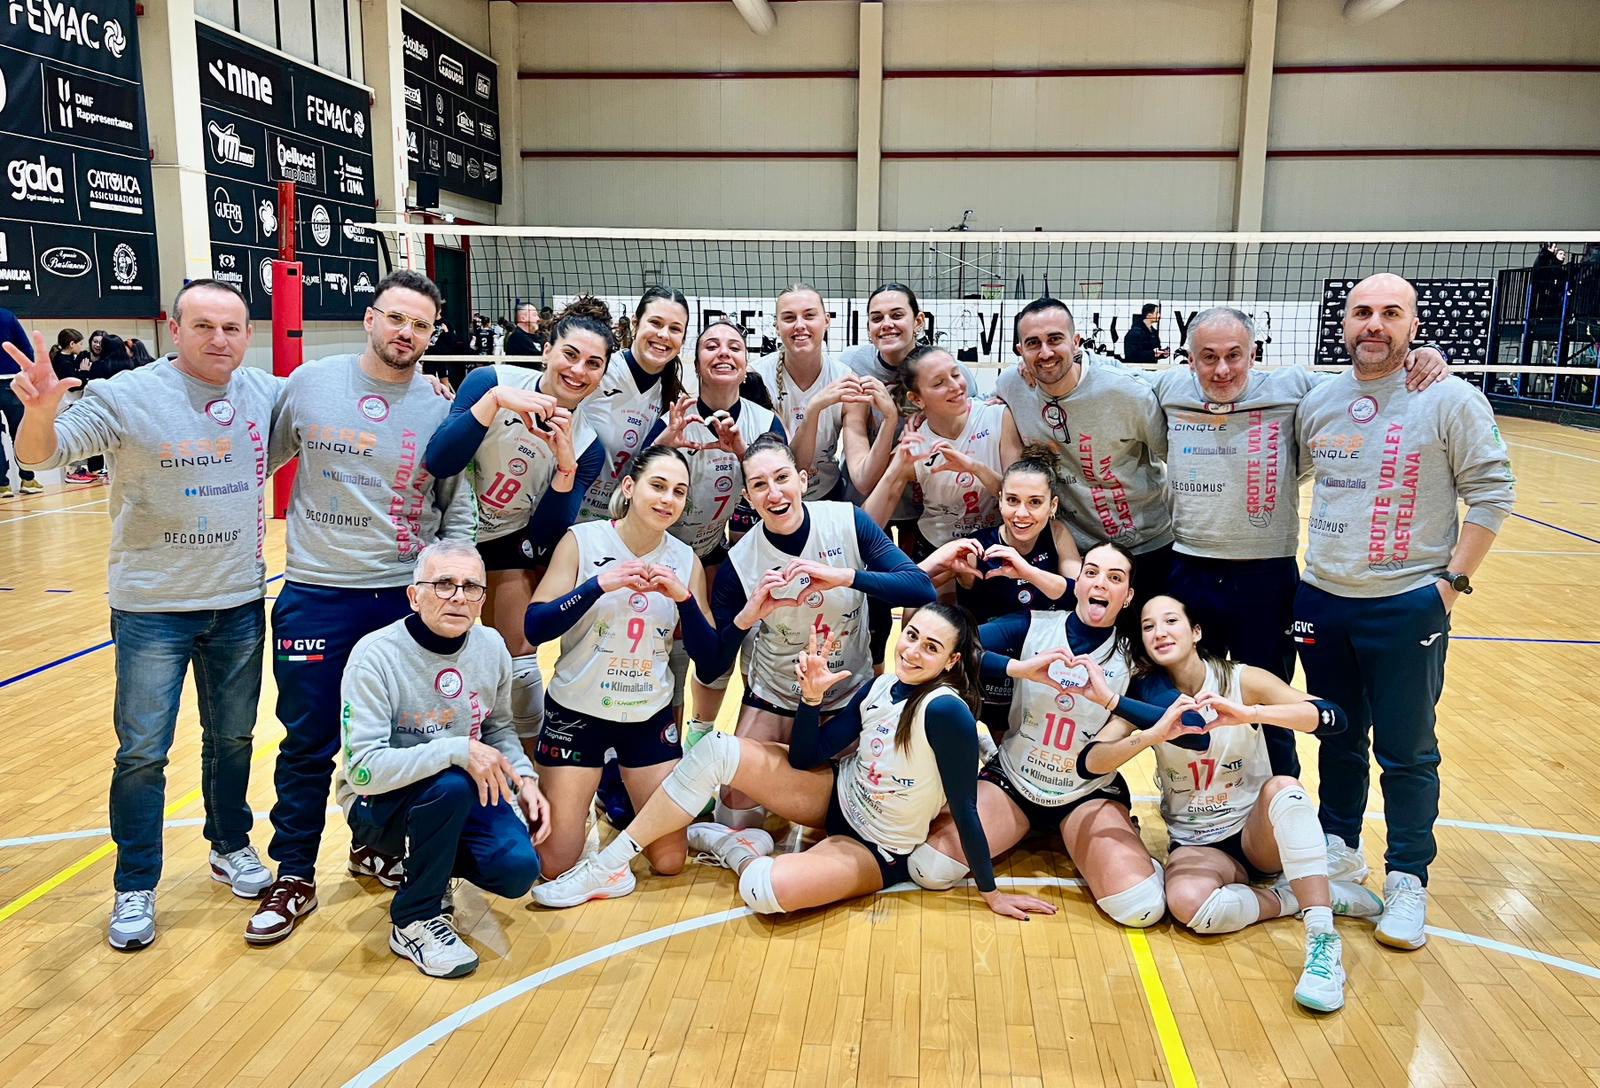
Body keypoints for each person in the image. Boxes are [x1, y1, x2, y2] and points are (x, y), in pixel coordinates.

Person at [7, 280, 278, 949]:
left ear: (249, 334)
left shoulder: (265, 393)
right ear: (174, 329)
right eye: (203, 325)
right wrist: (39, 412)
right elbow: (41, 454)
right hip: (152, 607)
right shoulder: (125, 395)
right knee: (142, 754)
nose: (219, 339)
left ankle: (230, 845)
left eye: (233, 327)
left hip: (239, 602)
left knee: (233, 739)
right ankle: (135, 884)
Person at [533, 604, 1056, 922]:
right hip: (836, 798)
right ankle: (606, 867)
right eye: (912, 635)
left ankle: (733, 847)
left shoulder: (946, 712)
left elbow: (965, 809)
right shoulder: (880, 687)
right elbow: (808, 756)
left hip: (876, 845)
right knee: (716, 751)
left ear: (951, 661)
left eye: (931, 647)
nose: (913, 651)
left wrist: (990, 892)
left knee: (764, 892)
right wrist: (810, 700)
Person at [246, 269, 475, 945]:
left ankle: (374, 846)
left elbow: (456, 510)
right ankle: (294, 874)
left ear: (432, 335)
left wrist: (453, 590)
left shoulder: (442, 410)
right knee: (308, 742)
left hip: (403, 598)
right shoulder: (310, 384)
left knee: (405, 740)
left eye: (421, 325)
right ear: (370, 319)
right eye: (396, 318)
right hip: (317, 592)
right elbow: (254, 463)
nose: (406, 332)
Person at [1293, 273, 1515, 950]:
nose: (1374, 324)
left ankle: (1408, 878)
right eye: (1362, 311)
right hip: (1323, 597)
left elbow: (1493, 494)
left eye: (1391, 313)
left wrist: (1449, 585)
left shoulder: (1450, 398)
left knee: (1408, 750)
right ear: (1343, 323)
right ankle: (1339, 849)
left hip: (1407, 603)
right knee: (1337, 735)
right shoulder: (1319, 400)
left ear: (1414, 327)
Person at [1153, 307, 1448, 776]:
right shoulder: (1167, 389)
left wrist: (1422, 353)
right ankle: (1194, 801)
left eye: (1234, 355)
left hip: (1265, 575)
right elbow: (1102, 378)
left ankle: (1280, 802)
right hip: (1189, 569)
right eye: (1208, 357)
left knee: (1271, 705)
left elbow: (1365, 377)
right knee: (1188, 701)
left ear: (1254, 354)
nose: (1222, 369)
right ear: (1188, 359)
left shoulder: (1294, 386)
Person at [1080, 593, 1384, 1012]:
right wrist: (1151, 735)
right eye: (1148, 627)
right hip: (1198, 842)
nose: (1159, 632)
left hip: (1256, 833)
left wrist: (1250, 714)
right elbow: (1090, 762)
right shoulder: (1145, 694)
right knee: (1189, 906)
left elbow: (1332, 717)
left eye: (1170, 621)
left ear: (1196, 632)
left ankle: (1322, 943)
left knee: (1284, 788)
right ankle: (1303, 896)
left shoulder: (1241, 679)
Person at [911, 543, 1168, 929]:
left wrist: (1113, 701)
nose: (1101, 583)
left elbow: (1180, 724)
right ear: (1077, 583)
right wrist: (1019, 668)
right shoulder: (1033, 624)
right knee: (928, 869)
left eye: (1115, 578)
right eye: (1091, 572)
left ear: (1128, 596)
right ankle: (1007, 787)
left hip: (1086, 793)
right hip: (1015, 780)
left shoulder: (1136, 656)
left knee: (1140, 907)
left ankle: (1118, 844)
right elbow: (956, 648)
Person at [700, 433, 937, 830]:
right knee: (735, 819)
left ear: (803, 480)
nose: (774, 493)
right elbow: (711, 667)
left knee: (852, 816)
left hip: (847, 694)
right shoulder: (739, 563)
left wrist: (845, 576)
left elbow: (920, 588)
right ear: (748, 497)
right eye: (759, 485)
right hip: (777, 694)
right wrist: (746, 617)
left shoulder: (847, 521)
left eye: (782, 478)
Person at [339, 539, 549, 978]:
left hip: (457, 793)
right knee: (450, 784)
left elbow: (498, 728)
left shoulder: (491, 646)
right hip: (380, 804)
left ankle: (426, 869)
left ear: (482, 599)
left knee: (518, 870)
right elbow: (362, 772)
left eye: (471, 587)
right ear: (414, 596)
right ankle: (413, 919)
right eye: (443, 584)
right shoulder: (375, 656)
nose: (458, 596)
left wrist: (525, 779)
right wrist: (455, 750)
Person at [521, 445, 719, 887]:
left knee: (670, 861)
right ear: (629, 487)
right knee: (554, 865)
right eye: (658, 486)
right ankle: (587, 789)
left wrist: (685, 599)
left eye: (679, 492)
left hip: (647, 717)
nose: (668, 499)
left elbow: (709, 658)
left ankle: (616, 788)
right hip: (577, 712)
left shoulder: (685, 559)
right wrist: (597, 585)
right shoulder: (583, 540)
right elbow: (535, 627)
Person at [423, 298, 613, 753]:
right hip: (445, 535)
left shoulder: (588, 445)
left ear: (603, 374)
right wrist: (490, 405)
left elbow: (544, 538)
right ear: (546, 350)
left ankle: (527, 771)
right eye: (570, 354)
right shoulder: (491, 382)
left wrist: (565, 466)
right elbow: (440, 461)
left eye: (593, 363)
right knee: (437, 656)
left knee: (521, 662)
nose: (578, 371)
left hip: (509, 540)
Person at [651, 320, 783, 724]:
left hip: (712, 552)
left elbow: (778, 498)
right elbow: (632, 492)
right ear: (696, 364)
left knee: (719, 651)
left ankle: (701, 733)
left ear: (745, 367)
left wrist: (742, 452)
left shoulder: (765, 423)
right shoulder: (673, 417)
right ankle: (667, 745)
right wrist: (663, 444)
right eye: (711, 346)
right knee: (667, 655)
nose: (723, 352)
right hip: (660, 552)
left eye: (734, 347)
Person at [997, 298, 1176, 592]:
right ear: (1020, 351)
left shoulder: (1126, 392)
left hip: (1146, 545)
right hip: (1073, 550)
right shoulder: (1012, 386)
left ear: (1076, 342)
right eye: (1033, 343)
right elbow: (969, 407)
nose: (1045, 352)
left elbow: (1173, 458)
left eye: (1055, 339)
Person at [919, 453, 1082, 734]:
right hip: (988, 669)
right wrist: (939, 563)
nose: (1022, 513)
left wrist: (1026, 571)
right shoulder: (978, 548)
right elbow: (908, 587)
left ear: (1052, 506)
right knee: (990, 735)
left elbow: (1078, 593)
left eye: (1035, 502)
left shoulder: (1057, 533)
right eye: (1013, 500)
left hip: (1042, 667)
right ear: (1000, 500)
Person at [863, 345, 1021, 556]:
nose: (955, 386)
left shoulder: (998, 417)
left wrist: (976, 468)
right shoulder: (915, 444)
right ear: (917, 399)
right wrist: (896, 469)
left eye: (956, 374)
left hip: (996, 545)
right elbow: (866, 528)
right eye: (939, 383)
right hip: (936, 549)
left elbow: (1021, 499)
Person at [577, 286, 690, 523]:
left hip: (618, 521)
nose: (664, 335)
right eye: (656, 323)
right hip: (568, 510)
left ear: (683, 338)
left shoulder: (671, 398)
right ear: (636, 324)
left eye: (675, 328)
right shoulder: (600, 371)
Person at [750, 283, 855, 501]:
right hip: (774, 497)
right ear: (777, 326)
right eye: (789, 318)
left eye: (809, 316)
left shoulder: (844, 377)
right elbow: (793, 467)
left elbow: (860, 471)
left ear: (826, 321)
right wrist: (814, 409)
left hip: (828, 492)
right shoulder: (756, 377)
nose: (800, 325)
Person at [0, 305, 43, 497]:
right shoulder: (7, 316)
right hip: (12, 383)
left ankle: (2, 485)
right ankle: (28, 479)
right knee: (19, 432)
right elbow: (26, 349)